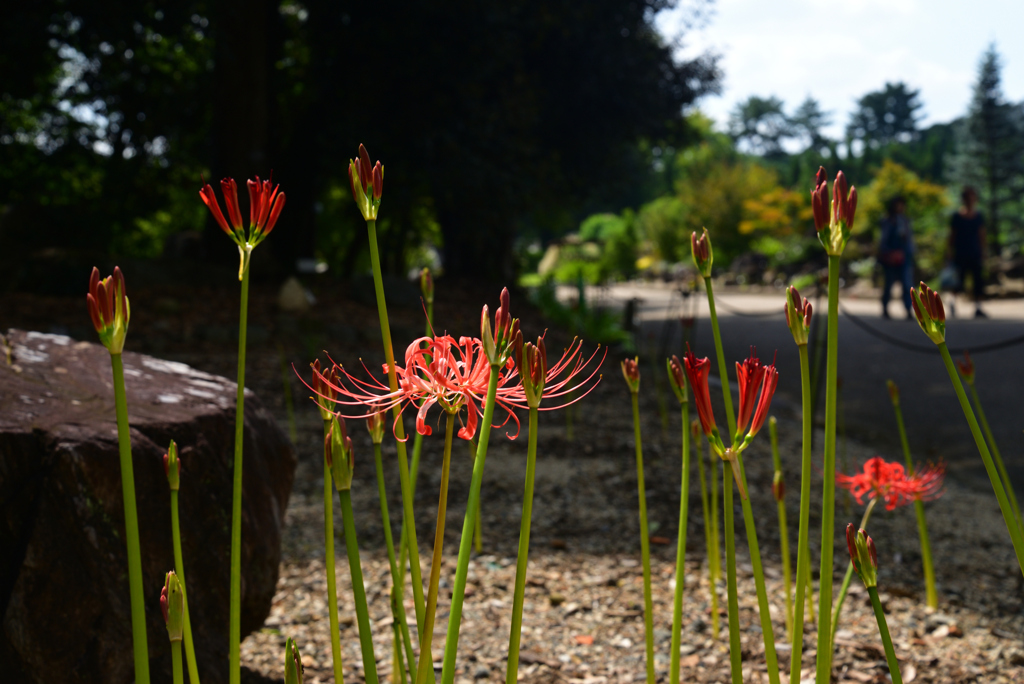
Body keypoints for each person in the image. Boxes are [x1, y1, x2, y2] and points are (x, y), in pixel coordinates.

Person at [949, 186, 987, 318]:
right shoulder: (957, 216)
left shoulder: (978, 216)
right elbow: (952, 235)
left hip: (974, 252)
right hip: (961, 253)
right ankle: (952, 303)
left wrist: (983, 251)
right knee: (959, 280)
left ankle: (978, 307)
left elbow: (981, 234)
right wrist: (949, 251)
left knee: (978, 280)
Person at [877, 195, 914, 319]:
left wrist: (911, 254)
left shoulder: (905, 220)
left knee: (907, 284)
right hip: (890, 258)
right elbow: (883, 240)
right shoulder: (888, 221)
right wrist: (888, 253)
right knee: (888, 284)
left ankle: (908, 309)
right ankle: (885, 307)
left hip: (904, 257)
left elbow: (909, 240)